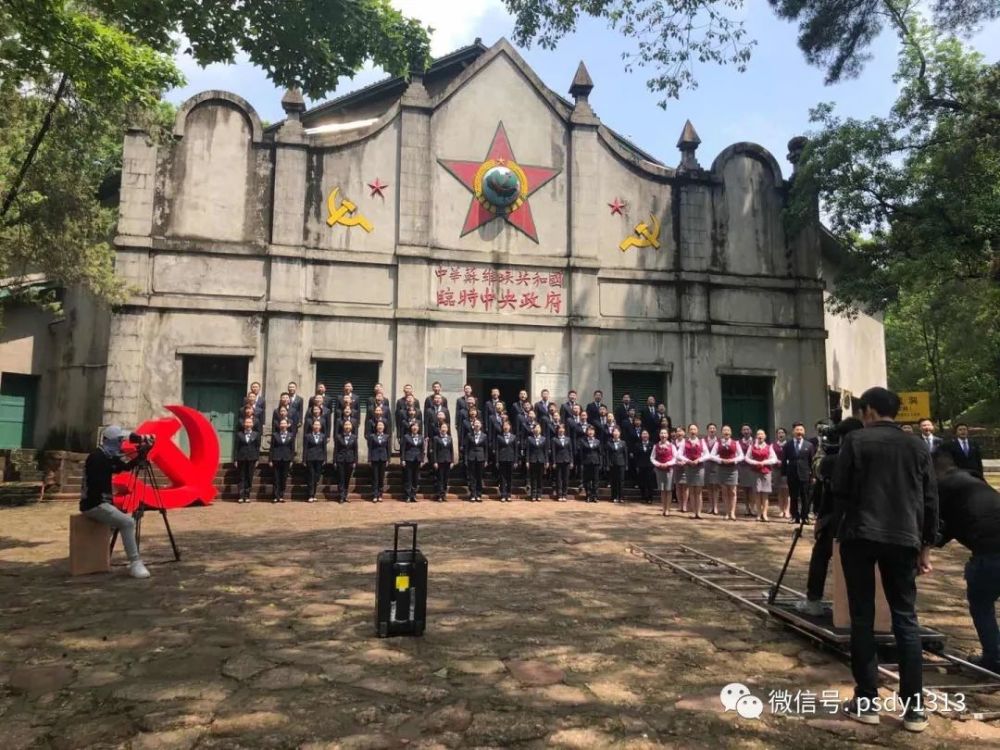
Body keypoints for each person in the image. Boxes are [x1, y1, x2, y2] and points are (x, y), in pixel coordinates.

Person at [832, 386, 938, 732]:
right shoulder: (918, 445)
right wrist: (925, 546)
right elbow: (929, 499)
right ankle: (915, 709)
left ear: (869, 411)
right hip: (904, 537)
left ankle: (866, 701)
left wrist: (839, 528)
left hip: (861, 535)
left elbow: (840, 490)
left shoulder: (856, 442)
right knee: (905, 619)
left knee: (862, 618)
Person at [934, 449, 1000, 673]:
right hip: (990, 549)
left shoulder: (943, 487)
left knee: (981, 606)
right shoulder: (973, 482)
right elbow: (953, 525)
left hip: (989, 554)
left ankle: (993, 658)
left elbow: (934, 524)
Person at [797, 416, 865, 616]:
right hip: (867, 521)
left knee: (821, 556)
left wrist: (822, 446)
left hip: (837, 520)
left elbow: (818, 469)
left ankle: (814, 600)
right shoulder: (875, 458)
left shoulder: (834, 461)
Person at [80, 426, 152, 578]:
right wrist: (115, 462)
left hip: (101, 503)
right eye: (118, 441)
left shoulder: (106, 455)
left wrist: (140, 456)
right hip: (95, 504)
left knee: (123, 522)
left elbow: (124, 467)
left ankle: (100, 557)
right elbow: (102, 477)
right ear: (108, 441)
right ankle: (135, 562)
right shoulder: (97, 457)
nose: (120, 444)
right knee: (127, 522)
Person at [783, 423, 816, 524]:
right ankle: (794, 516)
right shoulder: (787, 445)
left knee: (805, 496)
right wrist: (784, 475)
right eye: (797, 430)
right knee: (793, 496)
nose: (799, 432)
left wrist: (813, 475)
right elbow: (784, 460)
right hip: (792, 474)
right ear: (793, 432)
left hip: (805, 474)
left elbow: (812, 461)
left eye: (801, 430)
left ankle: (804, 516)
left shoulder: (809, 445)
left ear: (804, 432)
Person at [744, 429, 778, 522]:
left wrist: (764, 462)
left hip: (766, 472)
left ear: (765, 436)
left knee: (765, 494)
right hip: (755, 472)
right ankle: (759, 514)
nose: (760, 436)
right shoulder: (752, 447)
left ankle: (765, 514)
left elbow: (774, 459)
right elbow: (747, 458)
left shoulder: (769, 447)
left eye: (762, 434)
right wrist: (755, 462)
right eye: (758, 434)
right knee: (757, 493)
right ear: (756, 436)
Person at [714, 425, 743, 521]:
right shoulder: (717, 443)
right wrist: (721, 460)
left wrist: (733, 460)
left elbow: (741, 456)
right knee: (725, 491)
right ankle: (727, 512)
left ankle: (733, 512)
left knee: (733, 491)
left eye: (728, 430)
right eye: (724, 430)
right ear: (722, 432)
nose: (726, 432)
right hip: (722, 468)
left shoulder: (736, 443)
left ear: (730, 433)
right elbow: (712, 455)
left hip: (732, 469)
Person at [682, 424, 707, 518]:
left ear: (697, 431)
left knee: (699, 491)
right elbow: (679, 454)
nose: (693, 430)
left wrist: (698, 460)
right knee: (692, 490)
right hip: (689, 467)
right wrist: (688, 461)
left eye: (694, 429)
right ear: (689, 431)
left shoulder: (702, 442)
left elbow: (706, 454)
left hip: (699, 467)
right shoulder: (684, 442)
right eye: (691, 429)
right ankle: (693, 512)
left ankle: (699, 512)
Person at [235, 416, 261, 503]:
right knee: (241, 477)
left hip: (252, 458)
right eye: (246, 422)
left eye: (250, 423)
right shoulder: (239, 434)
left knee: (249, 477)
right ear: (243, 424)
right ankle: (241, 496)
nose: (248, 424)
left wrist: (257, 459)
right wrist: (235, 459)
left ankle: (247, 495)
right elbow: (236, 448)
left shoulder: (256, 434)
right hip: (241, 458)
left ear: (252, 424)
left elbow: (257, 447)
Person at [650, 428, 677, 516]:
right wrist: (658, 464)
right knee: (662, 490)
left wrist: (668, 464)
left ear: (667, 435)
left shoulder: (672, 446)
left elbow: (675, 458)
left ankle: (668, 509)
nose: (663, 435)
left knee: (668, 490)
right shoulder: (656, 446)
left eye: (665, 433)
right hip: (659, 470)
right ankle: (663, 508)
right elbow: (652, 457)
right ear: (659, 435)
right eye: (661, 433)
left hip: (669, 470)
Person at [302, 419, 328, 503]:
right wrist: (304, 459)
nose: (316, 426)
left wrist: (325, 458)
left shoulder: (323, 436)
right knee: (311, 476)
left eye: (318, 425)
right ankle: (310, 495)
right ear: (312, 426)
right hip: (310, 458)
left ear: (320, 427)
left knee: (317, 477)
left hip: (320, 458)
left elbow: (324, 448)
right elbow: (305, 448)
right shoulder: (308, 436)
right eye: (315, 425)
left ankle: (314, 494)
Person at [270, 419, 295, 503]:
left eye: (284, 423)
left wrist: (292, 460)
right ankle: (275, 496)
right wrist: (270, 459)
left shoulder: (291, 435)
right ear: (279, 425)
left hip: (286, 459)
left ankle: (281, 495)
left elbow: (292, 449)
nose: (283, 425)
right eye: (281, 423)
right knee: (276, 478)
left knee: (283, 478)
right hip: (276, 458)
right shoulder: (275, 435)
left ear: (287, 425)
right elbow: (271, 448)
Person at [401, 421, 424, 503]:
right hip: (408, 459)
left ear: (418, 428)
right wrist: (403, 459)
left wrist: (422, 460)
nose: (415, 428)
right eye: (413, 426)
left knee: (415, 478)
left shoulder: (421, 437)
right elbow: (403, 449)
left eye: (416, 426)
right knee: (408, 478)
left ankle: (413, 495)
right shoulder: (406, 437)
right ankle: (407, 495)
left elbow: (422, 450)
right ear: (411, 428)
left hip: (417, 460)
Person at [430, 423, 454, 502]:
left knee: (446, 479)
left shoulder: (450, 438)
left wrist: (452, 461)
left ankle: (444, 495)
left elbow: (451, 451)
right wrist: (435, 461)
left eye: (445, 427)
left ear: (447, 429)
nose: (444, 429)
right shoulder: (436, 438)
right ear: (440, 429)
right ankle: (439, 495)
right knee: (440, 478)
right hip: (439, 461)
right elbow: (434, 451)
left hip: (448, 461)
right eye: (442, 427)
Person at [367, 419, 390, 503]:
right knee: (375, 477)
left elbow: (388, 449)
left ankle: (380, 494)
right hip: (374, 458)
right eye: (378, 425)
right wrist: (369, 459)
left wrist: (388, 459)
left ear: (384, 427)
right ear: (376, 427)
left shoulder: (387, 436)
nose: (380, 427)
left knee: (381, 477)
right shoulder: (372, 436)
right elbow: (370, 448)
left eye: (381, 425)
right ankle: (374, 494)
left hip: (383, 458)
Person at [495, 420, 518, 502]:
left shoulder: (514, 437)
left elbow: (516, 450)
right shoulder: (499, 437)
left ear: (510, 427)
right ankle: (503, 494)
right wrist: (497, 461)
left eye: (507, 425)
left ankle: (509, 494)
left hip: (511, 459)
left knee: (509, 478)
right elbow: (497, 450)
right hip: (502, 459)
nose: (506, 427)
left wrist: (516, 461)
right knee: (502, 478)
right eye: (504, 425)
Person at [526, 423, 549, 502]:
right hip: (532, 460)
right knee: (533, 478)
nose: (537, 429)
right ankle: (533, 494)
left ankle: (539, 494)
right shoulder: (530, 439)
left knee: (540, 478)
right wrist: (527, 461)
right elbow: (528, 451)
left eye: (538, 428)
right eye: (535, 428)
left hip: (541, 460)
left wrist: (547, 461)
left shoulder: (544, 439)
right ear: (533, 430)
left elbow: (545, 451)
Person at [465, 419, 487, 502]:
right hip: (471, 457)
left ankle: (478, 494)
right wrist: (466, 459)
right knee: (472, 477)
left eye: (478, 423)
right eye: (475, 423)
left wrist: (486, 459)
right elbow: (467, 448)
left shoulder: (484, 436)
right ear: (473, 425)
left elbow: (486, 449)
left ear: (481, 425)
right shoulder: (469, 435)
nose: (477, 425)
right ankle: (472, 494)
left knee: (479, 477)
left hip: (481, 458)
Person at [580, 425, 603, 503]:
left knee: (595, 480)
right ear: (587, 432)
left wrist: (600, 463)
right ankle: (588, 496)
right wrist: (582, 463)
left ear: (594, 432)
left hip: (596, 463)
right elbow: (581, 453)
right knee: (587, 480)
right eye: (589, 430)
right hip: (586, 463)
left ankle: (595, 496)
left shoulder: (598, 441)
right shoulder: (583, 441)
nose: (590, 432)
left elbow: (600, 453)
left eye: (592, 430)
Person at [606, 427, 629, 504]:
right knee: (613, 481)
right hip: (612, 464)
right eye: (614, 431)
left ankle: (621, 497)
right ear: (612, 433)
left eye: (617, 431)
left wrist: (626, 464)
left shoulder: (623, 443)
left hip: (621, 464)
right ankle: (613, 496)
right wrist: (608, 464)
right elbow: (607, 455)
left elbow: (625, 454)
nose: (616, 433)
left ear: (620, 433)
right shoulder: (609, 443)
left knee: (621, 481)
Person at [551, 424, 574, 502]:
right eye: (560, 429)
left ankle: (565, 494)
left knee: (566, 479)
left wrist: (571, 461)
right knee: (558, 479)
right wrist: (553, 462)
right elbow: (553, 452)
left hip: (567, 461)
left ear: (564, 430)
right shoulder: (554, 439)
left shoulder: (568, 439)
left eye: (562, 429)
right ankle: (559, 494)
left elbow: (570, 451)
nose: (561, 430)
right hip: (558, 461)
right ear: (557, 430)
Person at [633, 430, 656, 504]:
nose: (645, 435)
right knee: (642, 482)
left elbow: (655, 456)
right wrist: (636, 465)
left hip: (650, 466)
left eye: (646, 434)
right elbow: (636, 456)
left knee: (650, 482)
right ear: (641, 436)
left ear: (648, 435)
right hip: (641, 466)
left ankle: (650, 497)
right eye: (643, 434)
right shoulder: (637, 445)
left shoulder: (652, 445)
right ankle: (643, 496)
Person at [703, 423, 720, 515]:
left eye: (714, 428)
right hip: (707, 464)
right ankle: (710, 505)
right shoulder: (703, 441)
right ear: (707, 430)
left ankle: (716, 506)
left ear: (716, 430)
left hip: (716, 465)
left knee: (716, 486)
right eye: (710, 428)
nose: (712, 430)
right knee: (709, 486)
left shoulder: (719, 441)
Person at [737, 424, 754, 515]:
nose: (746, 431)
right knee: (745, 489)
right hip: (743, 467)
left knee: (752, 488)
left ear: (751, 431)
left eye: (747, 429)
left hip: (752, 468)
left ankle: (752, 508)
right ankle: (747, 508)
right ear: (741, 432)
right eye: (744, 430)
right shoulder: (738, 442)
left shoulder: (755, 441)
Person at [772, 427, 789, 518]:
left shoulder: (789, 444)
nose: (781, 434)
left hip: (787, 470)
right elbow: (771, 455)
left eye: (782, 433)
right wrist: (776, 461)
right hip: (776, 469)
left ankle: (787, 510)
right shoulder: (773, 445)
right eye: (779, 433)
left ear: (785, 434)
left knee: (786, 490)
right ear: (777, 435)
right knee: (779, 490)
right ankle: (781, 510)